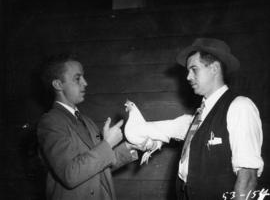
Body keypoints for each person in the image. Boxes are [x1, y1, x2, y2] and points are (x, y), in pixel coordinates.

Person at [37, 54, 147, 200]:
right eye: (77, 78)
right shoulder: (50, 122)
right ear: (58, 85)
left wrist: (131, 146)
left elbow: (99, 166)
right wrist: (107, 144)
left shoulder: (86, 121)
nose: (85, 82)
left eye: (83, 77)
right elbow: (70, 175)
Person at [174, 38, 264, 200]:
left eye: (194, 69)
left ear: (214, 68)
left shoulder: (240, 106)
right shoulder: (201, 112)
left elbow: (248, 178)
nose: (188, 77)